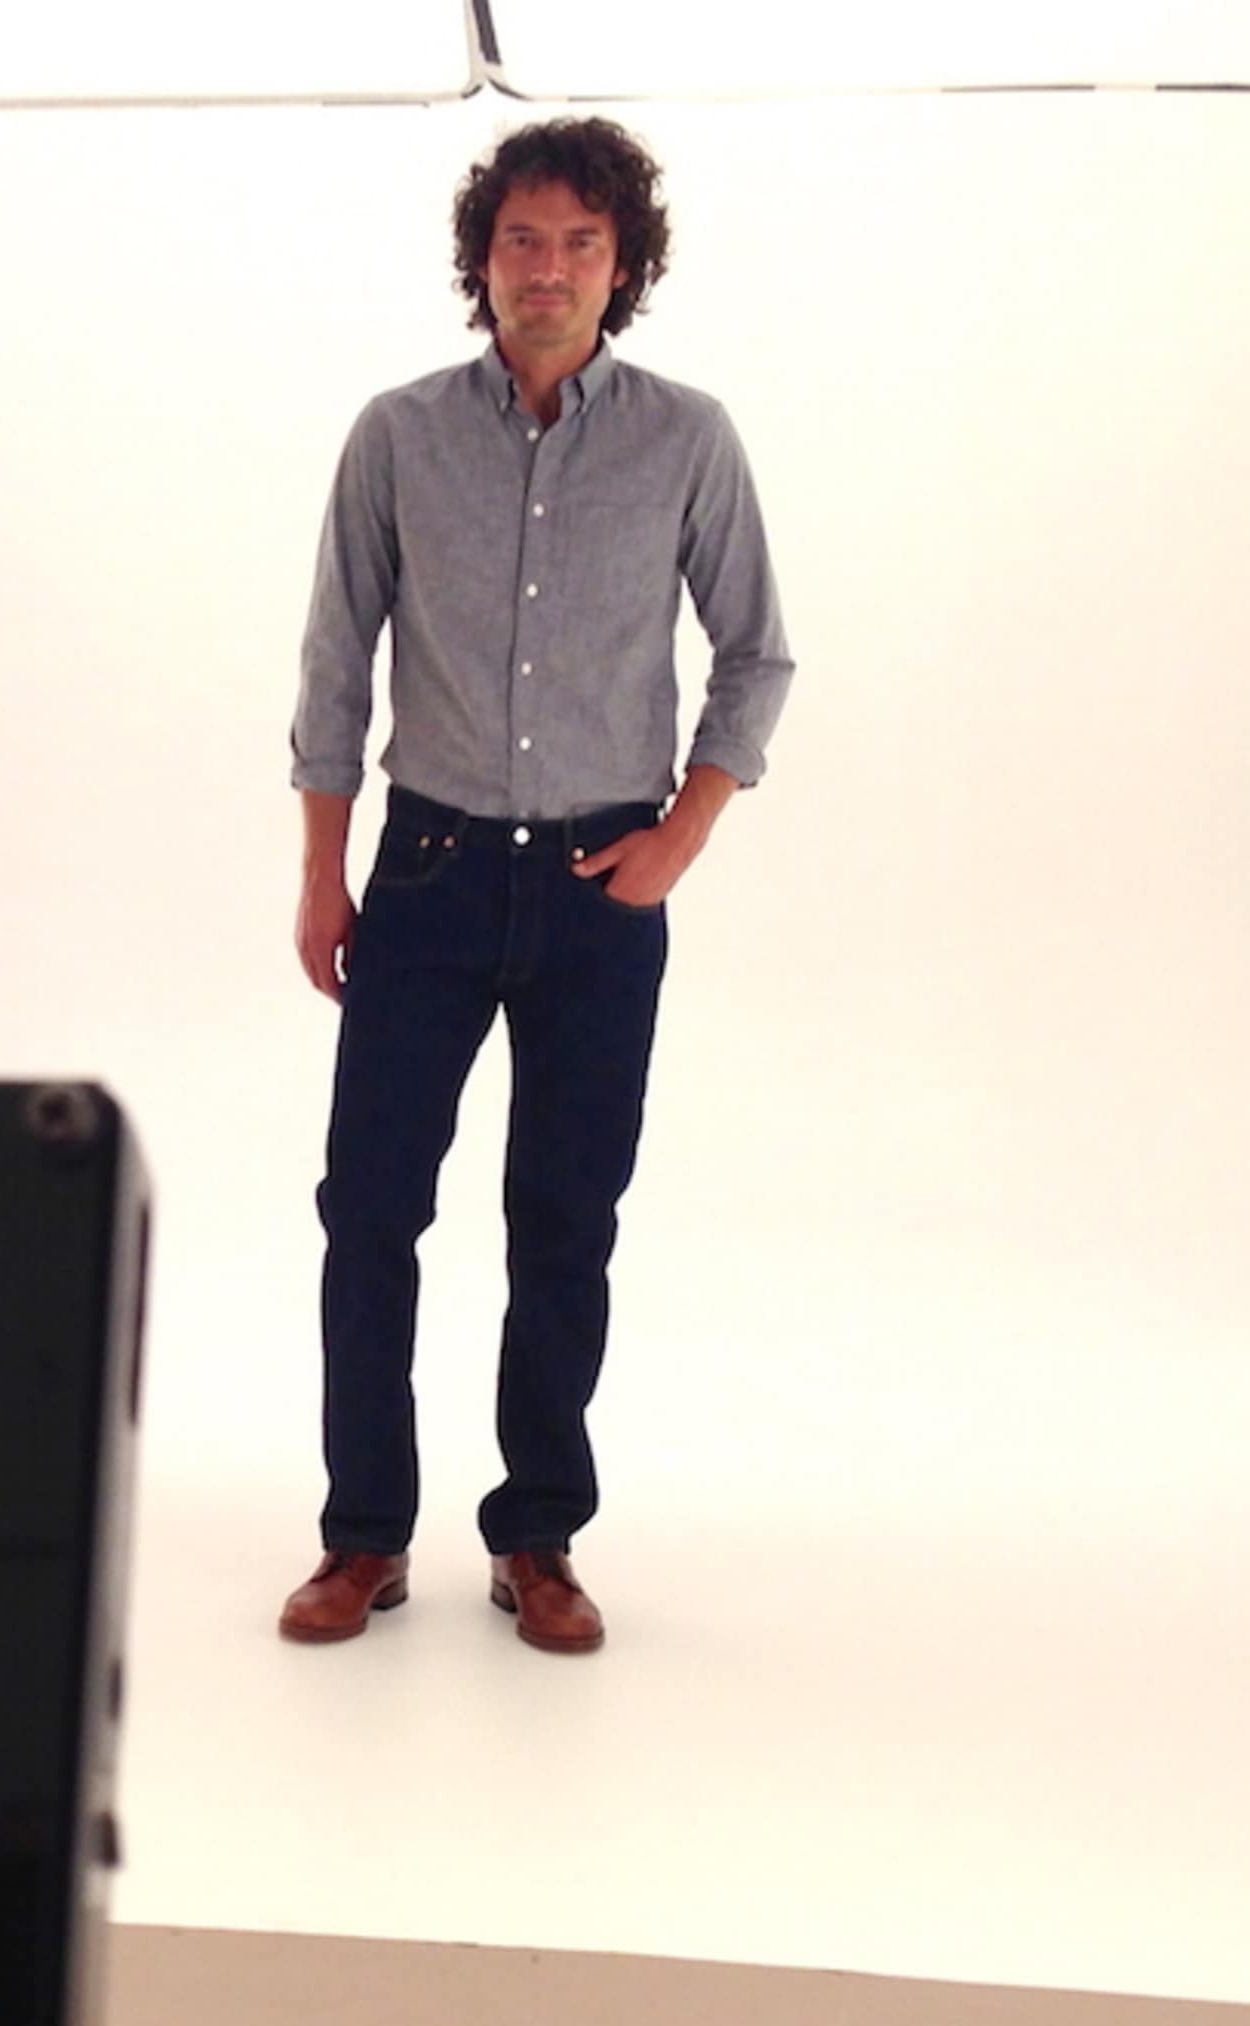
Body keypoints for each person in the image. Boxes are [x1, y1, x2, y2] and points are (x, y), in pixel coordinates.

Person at [278, 117, 792, 1656]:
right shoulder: (397, 432)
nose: (547, 268)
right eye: (521, 239)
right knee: (369, 1207)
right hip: (425, 871)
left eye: (579, 242)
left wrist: (681, 837)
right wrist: (323, 872)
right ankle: (363, 1533)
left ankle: (539, 1537)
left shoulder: (689, 439)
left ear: (621, 265)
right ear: (481, 258)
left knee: (564, 1218)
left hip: (598, 887)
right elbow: (332, 658)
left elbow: (756, 649)